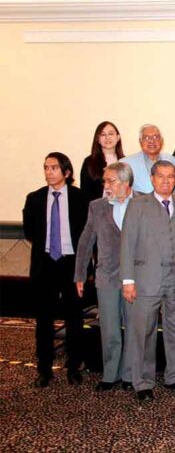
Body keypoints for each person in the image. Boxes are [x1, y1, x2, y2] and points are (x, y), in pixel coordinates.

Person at [120, 160, 175, 401]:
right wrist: (128, 281)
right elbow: (127, 243)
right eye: (161, 176)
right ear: (152, 178)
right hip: (146, 279)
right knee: (144, 332)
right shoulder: (137, 205)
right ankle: (142, 382)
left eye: (171, 176)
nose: (165, 181)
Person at [23, 152, 88, 388]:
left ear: (67, 172)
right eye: (46, 167)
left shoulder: (81, 199)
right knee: (44, 319)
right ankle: (44, 369)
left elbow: (87, 233)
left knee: (74, 318)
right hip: (46, 264)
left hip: (72, 264)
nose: (49, 172)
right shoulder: (35, 198)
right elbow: (30, 231)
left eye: (54, 167)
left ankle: (74, 367)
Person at [74, 162, 135, 391]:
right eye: (105, 181)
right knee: (109, 329)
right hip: (106, 277)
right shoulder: (97, 206)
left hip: (135, 277)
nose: (106, 185)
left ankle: (130, 375)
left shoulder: (142, 203)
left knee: (133, 328)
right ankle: (110, 374)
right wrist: (80, 274)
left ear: (126, 182)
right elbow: (86, 241)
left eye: (111, 181)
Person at [120, 124, 175, 194]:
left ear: (161, 140)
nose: (151, 141)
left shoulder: (173, 160)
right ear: (140, 141)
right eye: (147, 138)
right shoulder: (126, 163)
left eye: (155, 137)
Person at [80, 121, 125, 202]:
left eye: (111, 134)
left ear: (118, 137)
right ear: (98, 139)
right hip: (98, 207)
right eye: (103, 135)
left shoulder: (125, 161)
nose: (107, 137)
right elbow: (85, 193)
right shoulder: (89, 162)